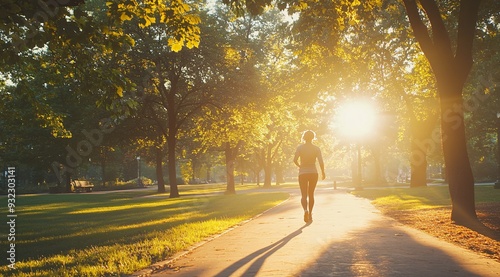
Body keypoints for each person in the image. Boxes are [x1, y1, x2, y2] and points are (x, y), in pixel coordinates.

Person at [293, 130, 325, 223]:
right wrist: (323, 172)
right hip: (313, 173)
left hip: (303, 173)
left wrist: (300, 166)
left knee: (303, 195)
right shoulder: (316, 149)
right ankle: (310, 213)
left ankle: (305, 211)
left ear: (304, 137)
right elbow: (321, 162)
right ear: (313, 137)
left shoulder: (300, 148)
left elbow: (294, 160)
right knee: (311, 194)